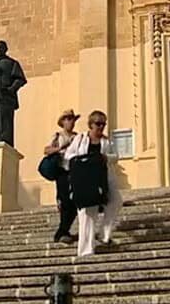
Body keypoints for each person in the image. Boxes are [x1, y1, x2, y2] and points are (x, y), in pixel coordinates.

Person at [64, 110, 122, 257]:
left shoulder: (106, 141)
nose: (101, 127)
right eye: (98, 123)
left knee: (116, 201)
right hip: (85, 179)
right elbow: (68, 155)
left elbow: (116, 156)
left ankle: (103, 235)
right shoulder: (80, 139)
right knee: (87, 213)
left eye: (103, 124)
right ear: (90, 124)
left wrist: (106, 157)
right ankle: (86, 250)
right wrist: (84, 160)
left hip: (104, 177)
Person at [44, 109, 80, 245]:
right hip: (62, 172)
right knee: (65, 203)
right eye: (68, 119)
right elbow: (46, 150)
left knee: (75, 202)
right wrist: (60, 148)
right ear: (63, 122)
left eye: (73, 119)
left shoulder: (78, 137)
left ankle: (62, 231)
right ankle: (62, 232)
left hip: (75, 172)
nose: (71, 122)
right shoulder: (58, 136)